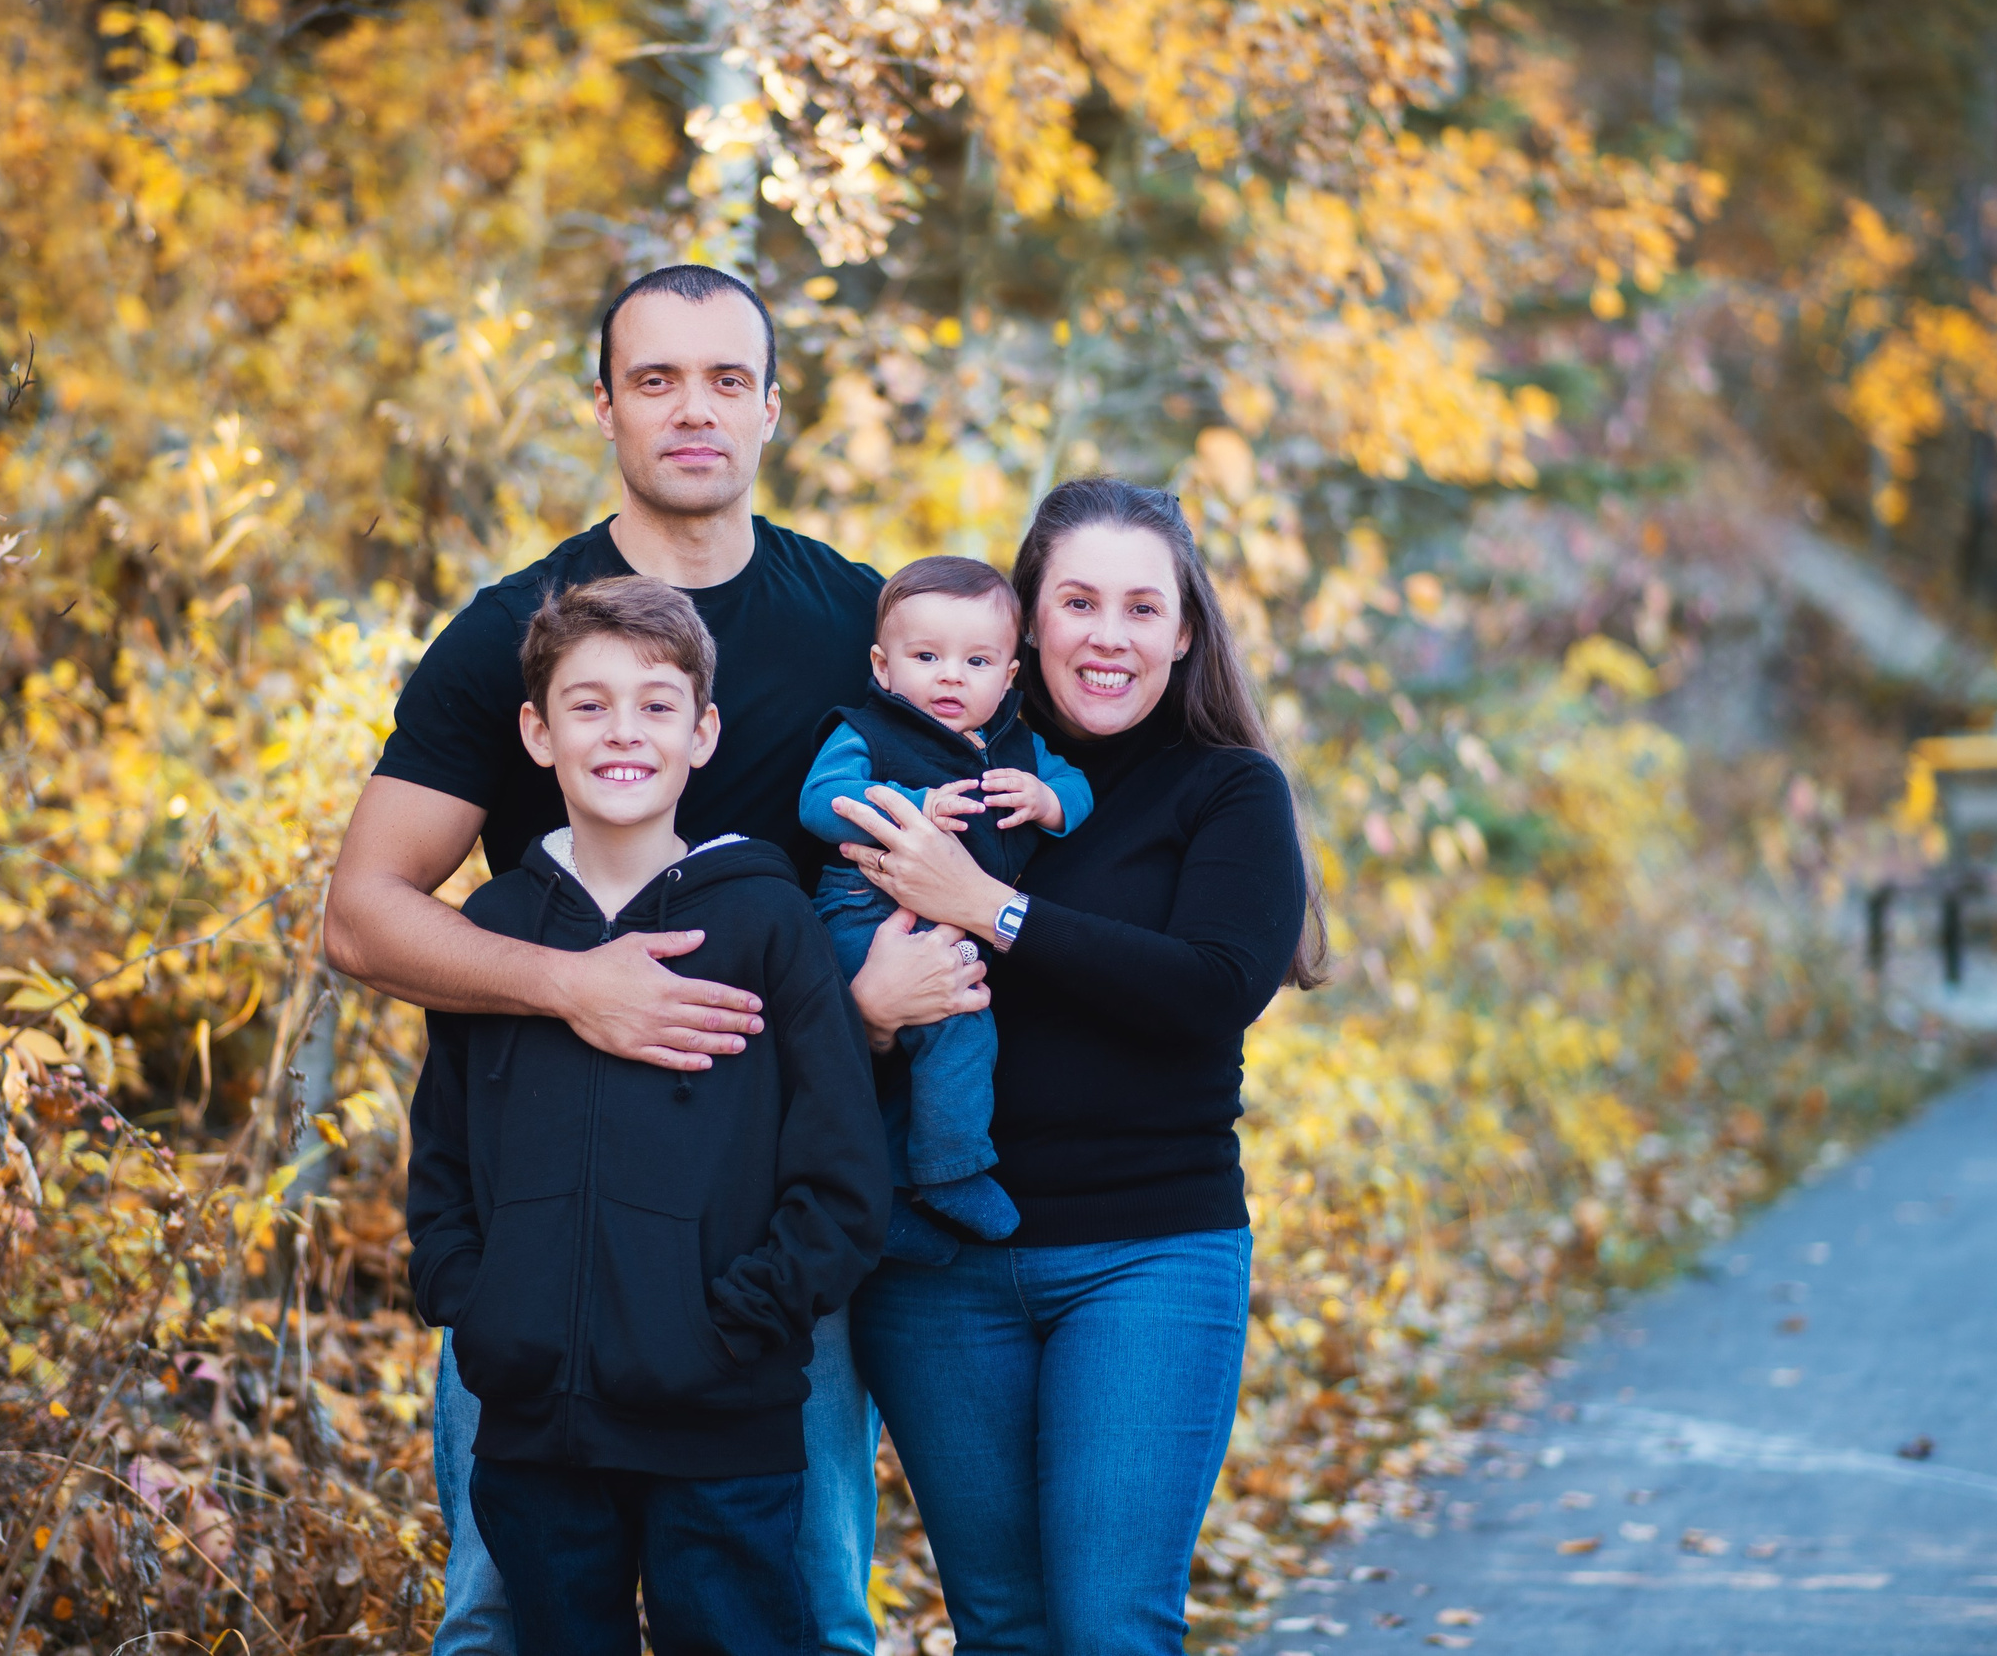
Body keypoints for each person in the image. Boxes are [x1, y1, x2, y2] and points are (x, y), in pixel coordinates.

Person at [324, 263, 985, 1656]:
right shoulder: (516, 635)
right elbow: (362, 913)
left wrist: (869, 1007)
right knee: (503, 1616)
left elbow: (1010, 802)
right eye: (656, 379)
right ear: (605, 406)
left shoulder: (857, 627)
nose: (694, 410)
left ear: (772, 407)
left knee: (801, 1609)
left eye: (727, 379)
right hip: (544, 1227)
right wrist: (575, 986)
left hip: (768, 1233)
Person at [826, 479, 1328, 1656]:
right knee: (1004, 1627)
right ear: (1026, 623)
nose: (1109, 635)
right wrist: (869, 1014)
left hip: (1145, 1253)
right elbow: (831, 970)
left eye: (1142, 607)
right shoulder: (922, 767)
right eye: (1079, 601)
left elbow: (1208, 990)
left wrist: (988, 906)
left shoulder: (1225, 787)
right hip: (936, 1266)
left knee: (1109, 1626)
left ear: (1185, 631)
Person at [407, 576, 886, 1656]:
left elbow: (843, 1177)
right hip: (533, 1427)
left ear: (702, 733)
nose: (623, 730)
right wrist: (479, 1300)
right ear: (538, 732)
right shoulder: (498, 927)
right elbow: (442, 1157)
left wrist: (733, 1327)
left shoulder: (767, 922)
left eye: (656, 704)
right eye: (588, 704)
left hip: (721, 1428)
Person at [799, 556, 1092, 1265]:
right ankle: (952, 1174)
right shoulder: (867, 731)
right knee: (959, 1030)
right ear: (883, 666)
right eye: (927, 657)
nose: (951, 677)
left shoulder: (1020, 747)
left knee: (930, 1057)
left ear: (1009, 676)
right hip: (866, 915)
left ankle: (902, 1199)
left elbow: (1079, 787)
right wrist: (911, 806)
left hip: (950, 927)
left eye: (977, 661)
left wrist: (1048, 801)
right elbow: (820, 801)